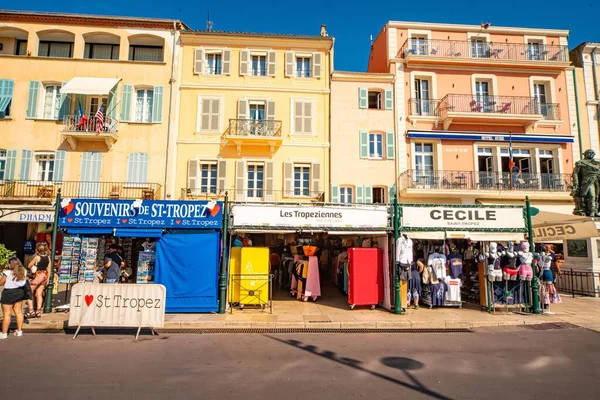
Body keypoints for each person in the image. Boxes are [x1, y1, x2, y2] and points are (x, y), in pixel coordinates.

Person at [1, 256, 31, 339]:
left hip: (8, 293)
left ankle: (4, 333)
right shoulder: (24, 271)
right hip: (19, 292)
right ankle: (19, 331)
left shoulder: (7, 272)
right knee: (18, 312)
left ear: (11, 264)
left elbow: (1, 283)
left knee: (7, 314)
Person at [25, 242, 51, 318]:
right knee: (39, 294)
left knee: (28, 291)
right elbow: (49, 269)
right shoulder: (48, 258)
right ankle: (38, 311)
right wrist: (48, 278)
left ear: (37, 249)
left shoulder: (37, 257)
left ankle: (31, 310)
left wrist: (33, 267)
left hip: (38, 275)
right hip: (45, 276)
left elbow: (29, 265)